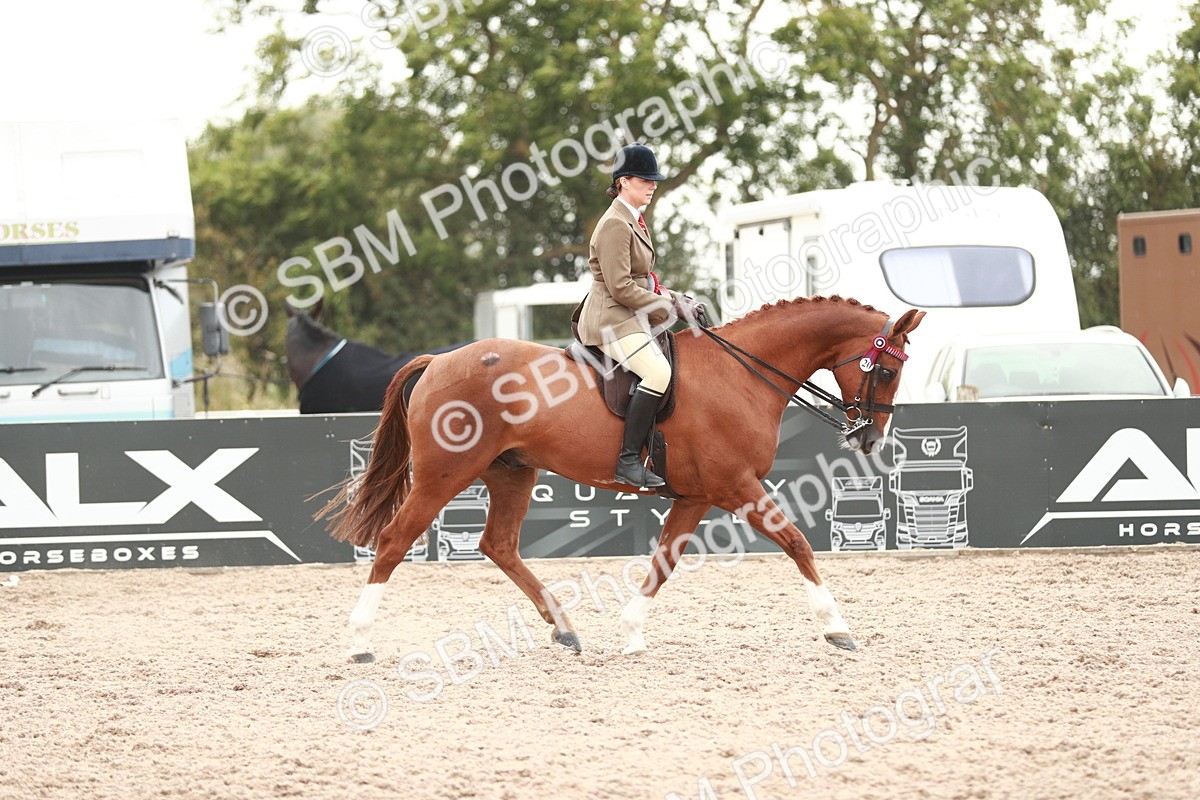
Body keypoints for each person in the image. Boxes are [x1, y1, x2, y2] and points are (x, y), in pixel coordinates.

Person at [576, 142, 680, 489]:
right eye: (644, 180)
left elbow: (640, 277)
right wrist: (663, 307)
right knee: (657, 372)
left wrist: (669, 294)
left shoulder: (632, 219)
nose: (652, 186)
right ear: (623, 181)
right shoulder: (615, 225)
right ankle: (628, 461)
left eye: (654, 180)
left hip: (628, 314)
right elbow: (620, 287)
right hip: (611, 320)